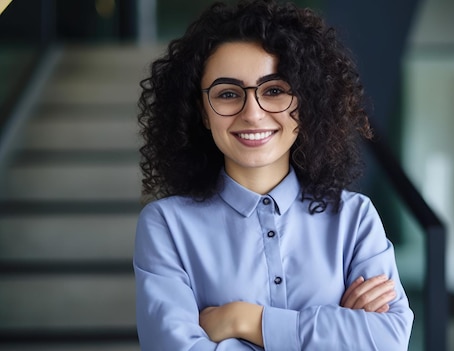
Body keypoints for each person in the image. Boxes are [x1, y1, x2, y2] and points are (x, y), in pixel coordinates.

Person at [133, 0, 414, 349]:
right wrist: (335, 333)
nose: (252, 113)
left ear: (305, 102)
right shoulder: (165, 225)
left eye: (275, 90)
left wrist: (244, 320)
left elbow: (389, 340)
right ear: (203, 113)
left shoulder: (354, 219)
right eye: (228, 94)